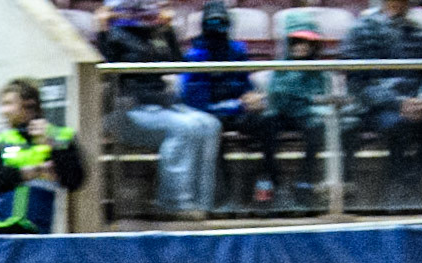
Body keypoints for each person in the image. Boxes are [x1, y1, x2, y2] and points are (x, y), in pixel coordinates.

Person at [94, 1, 219, 217]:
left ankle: (202, 202)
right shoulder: (114, 34)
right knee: (184, 128)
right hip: (129, 111)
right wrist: (102, 31)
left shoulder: (155, 33)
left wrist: (168, 29)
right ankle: (175, 202)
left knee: (211, 125)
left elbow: (177, 63)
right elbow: (102, 67)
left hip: (161, 106)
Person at [342, 0, 422, 207]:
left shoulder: (420, 33)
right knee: (398, 124)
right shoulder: (361, 30)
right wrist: (398, 104)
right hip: (378, 108)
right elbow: (358, 84)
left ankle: (412, 177)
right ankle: (397, 186)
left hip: (416, 104)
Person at [0, 77, 85, 234]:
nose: (3, 111)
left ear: (29, 105)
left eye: (8, 104)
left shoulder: (59, 136)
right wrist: (26, 173)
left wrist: (52, 144)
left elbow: (75, 180)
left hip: (35, 232)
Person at [243, 18, 329, 205]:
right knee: (266, 122)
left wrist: (298, 98)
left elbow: (319, 97)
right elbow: (276, 94)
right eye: (297, 42)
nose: (301, 46)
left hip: (306, 115)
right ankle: (273, 181)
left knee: (317, 127)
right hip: (281, 113)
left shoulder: (319, 70)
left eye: (306, 42)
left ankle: (304, 180)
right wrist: (299, 96)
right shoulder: (281, 66)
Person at [178, 0, 252, 207]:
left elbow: (246, 86)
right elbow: (196, 101)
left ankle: (266, 191)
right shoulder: (195, 55)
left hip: (236, 112)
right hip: (208, 115)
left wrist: (252, 98)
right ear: (204, 25)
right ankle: (220, 199)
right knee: (212, 129)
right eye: (211, 23)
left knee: (267, 121)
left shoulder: (237, 51)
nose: (216, 28)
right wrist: (236, 104)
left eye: (221, 22)